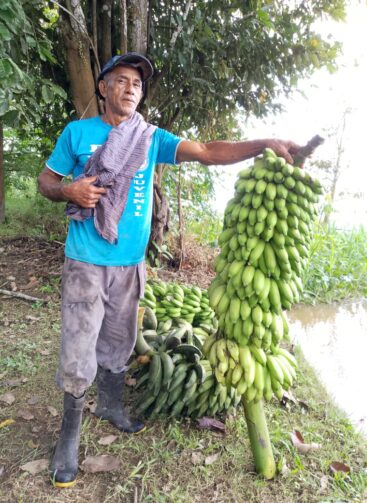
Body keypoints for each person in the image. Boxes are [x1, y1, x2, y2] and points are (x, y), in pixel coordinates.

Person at [38, 52, 301, 488]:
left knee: (120, 340)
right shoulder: (78, 133)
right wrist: (69, 189)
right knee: (78, 344)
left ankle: (111, 406)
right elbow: (46, 181)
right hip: (86, 260)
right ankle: (69, 435)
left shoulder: (150, 137)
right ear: (103, 87)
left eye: (137, 85)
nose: (130, 89)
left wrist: (264, 143)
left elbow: (209, 152)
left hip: (129, 264)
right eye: (121, 81)